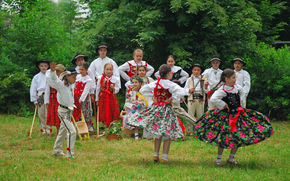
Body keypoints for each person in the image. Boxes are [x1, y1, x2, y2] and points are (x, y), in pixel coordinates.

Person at [193, 69, 273, 166]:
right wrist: (223, 104)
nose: (235, 79)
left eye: (235, 77)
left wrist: (242, 107)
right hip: (226, 117)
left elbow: (243, 94)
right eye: (233, 78)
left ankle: (231, 158)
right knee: (223, 137)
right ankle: (218, 159)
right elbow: (213, 99)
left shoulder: (237, 88)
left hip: (238, 115)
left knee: (237, 136)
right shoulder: (222, 89)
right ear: (226, 79)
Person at [127, 64, 194, 163]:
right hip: (167, 110)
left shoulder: (155, 83)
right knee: (167, 134)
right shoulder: (171, 84)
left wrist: (154, 96)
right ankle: (165, 157)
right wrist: (187, 91)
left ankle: (155, 155)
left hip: (156, 108)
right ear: (168, 74)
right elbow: (180, 92)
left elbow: (142, 90)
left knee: (158, 133)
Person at [48, 62, 78, 158]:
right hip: (62, 111)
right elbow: (53, 79)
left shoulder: (71, 85)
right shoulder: (60, 84)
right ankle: (70, 153)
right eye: (73, 76)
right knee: (72, 131)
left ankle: (57, 150)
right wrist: (52, 71)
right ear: (67, 76)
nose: (75, 78)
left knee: (63, 131)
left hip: (69, 110)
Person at [184, 64, 209, 133]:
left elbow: (207, 91)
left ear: (201, 71)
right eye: (195, 70)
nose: (196, 72)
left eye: (198, 70)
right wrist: (189, 90)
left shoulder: (203, 80)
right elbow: (185, 89)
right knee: (190, 115)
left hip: (200, 99)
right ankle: (189, 130)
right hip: (192, 98)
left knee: (200, 115)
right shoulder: (189, 80)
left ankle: (200, 130)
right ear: (192, 71)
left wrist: (206, 86)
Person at [95, 63, 121, 127]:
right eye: (107, 69)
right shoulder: (101, 78)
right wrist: (97, 99)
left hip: (111, 97)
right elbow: (98, 88)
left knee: (112, 109)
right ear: (104, 70)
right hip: (103, 97)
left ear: (112, 70)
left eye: (110, 69)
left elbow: (117, 89)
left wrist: (113, 88)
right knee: (103, 110)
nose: (109, 71)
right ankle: (105, 124)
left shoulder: (115, 79)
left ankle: (112, 124)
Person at [30, 59, 51, 135]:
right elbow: (33, 89)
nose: (43, 67)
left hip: (48, 95)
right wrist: (34, 100)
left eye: (45, 66)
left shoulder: (50, 75)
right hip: (40, 95)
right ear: (39, 67)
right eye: (41, 66)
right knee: (41, 112)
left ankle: (48, 128)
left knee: (48, 112)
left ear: (48, 66)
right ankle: (43, 128)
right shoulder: (36, 77)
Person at [73, 62, 94, 133]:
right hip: (76, 97)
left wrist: (81, 99)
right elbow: (74, 86)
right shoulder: (78, 77)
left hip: (84, 99)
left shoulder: (88, 79)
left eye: (82, 69)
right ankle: (78, 127)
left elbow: (86, 91)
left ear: (86, 70)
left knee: (85, 111)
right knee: (77, 112)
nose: (80, 71)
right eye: (80, 69)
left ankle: (87, 126)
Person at [123, 76, 146, 141]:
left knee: (137, 115)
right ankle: (136, 134)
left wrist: (140, 104)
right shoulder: (129, 92)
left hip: (141, 110)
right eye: (133, 82)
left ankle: (143, 134)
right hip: (131, 110)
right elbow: (126, 103)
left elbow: (146, 102)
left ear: (140, 83)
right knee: (134, 115)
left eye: (136, 82)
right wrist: (133, 105)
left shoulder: (143, 92)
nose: (134, 84)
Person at [44, 64, 65, 136]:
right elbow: (47, 90)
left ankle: (62, 131)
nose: (58, 73)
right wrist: (46, 101)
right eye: (57, 72)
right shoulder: (50, 79)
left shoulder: (64, 79)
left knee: (61, 115)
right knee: (55, 115)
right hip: (53, 99)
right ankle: (58, 130)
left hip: (61, 99)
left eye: (59, 72)